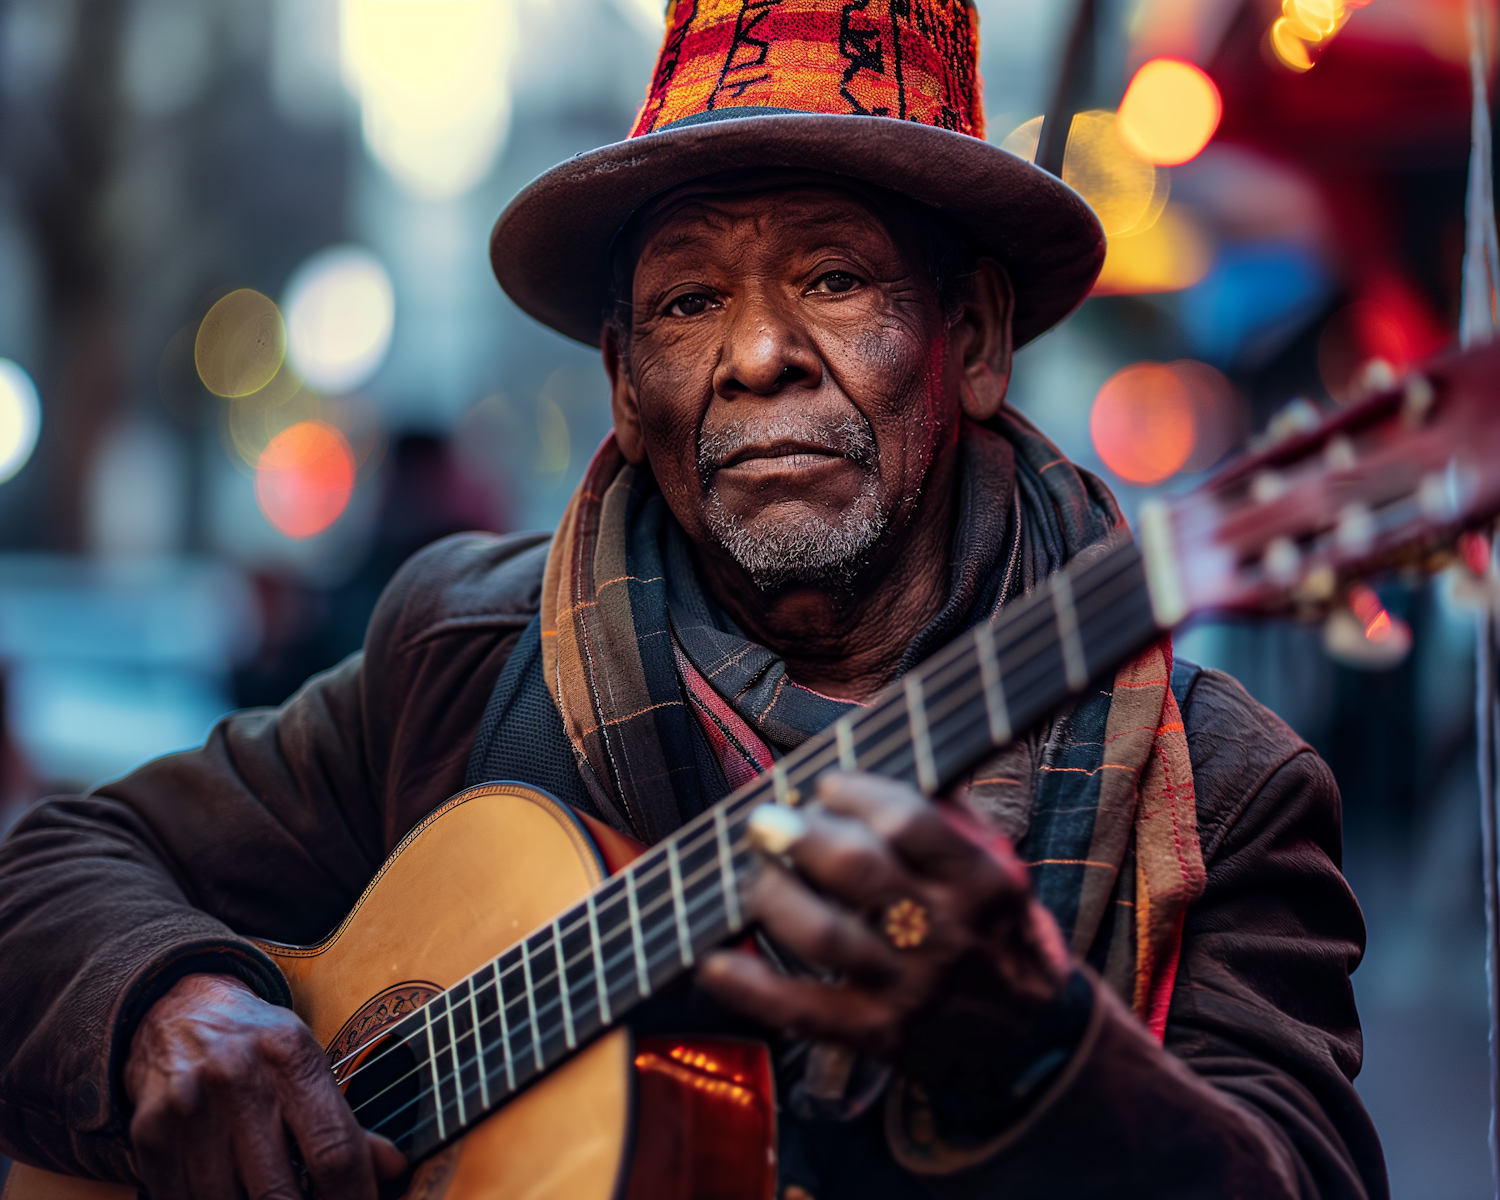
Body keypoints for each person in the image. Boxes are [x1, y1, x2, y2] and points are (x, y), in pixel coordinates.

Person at [0, 2, 1385, 1197]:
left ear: (969, 339)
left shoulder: (1220, 788)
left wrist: (1038, 1050)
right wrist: (159, 1006)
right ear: (621, 383)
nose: (761, 354)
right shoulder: (465, 653)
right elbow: (47, 870)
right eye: (686, 304)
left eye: (836, 280)